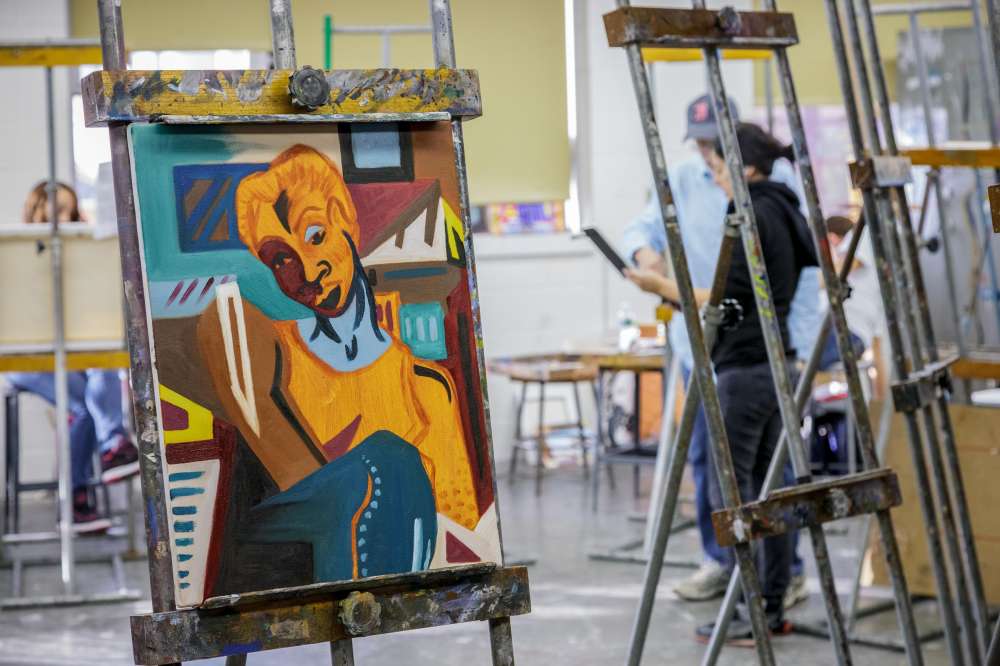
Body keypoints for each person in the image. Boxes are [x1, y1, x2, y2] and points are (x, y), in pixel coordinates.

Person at [627, 122, 819, 642]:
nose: (714, 180)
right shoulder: (785, 207)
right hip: (777, 365)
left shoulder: (749, 212)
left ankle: (748, 607)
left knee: (735, 498)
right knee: (769, 494)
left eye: (716, 169)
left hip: (745, 371)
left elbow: (724, 301)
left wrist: (660, 285)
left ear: (745, 167)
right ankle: (769, 606)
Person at [7, 181, 139, 532]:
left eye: (70, 210)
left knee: (101, 366)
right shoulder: (17, 252)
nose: (65, 218)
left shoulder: (80, 255)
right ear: (38, 210)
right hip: (25, 358)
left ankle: (107, 456)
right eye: (58, 210)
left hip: (71, 353)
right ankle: (95, 472)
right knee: (82, 405)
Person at [818, 215, 880, 370]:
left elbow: (835, 273)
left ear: (831, 237)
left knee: (799, 358)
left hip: (850, 333)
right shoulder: (856, 244)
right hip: (846, 331)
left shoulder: (860, 238)